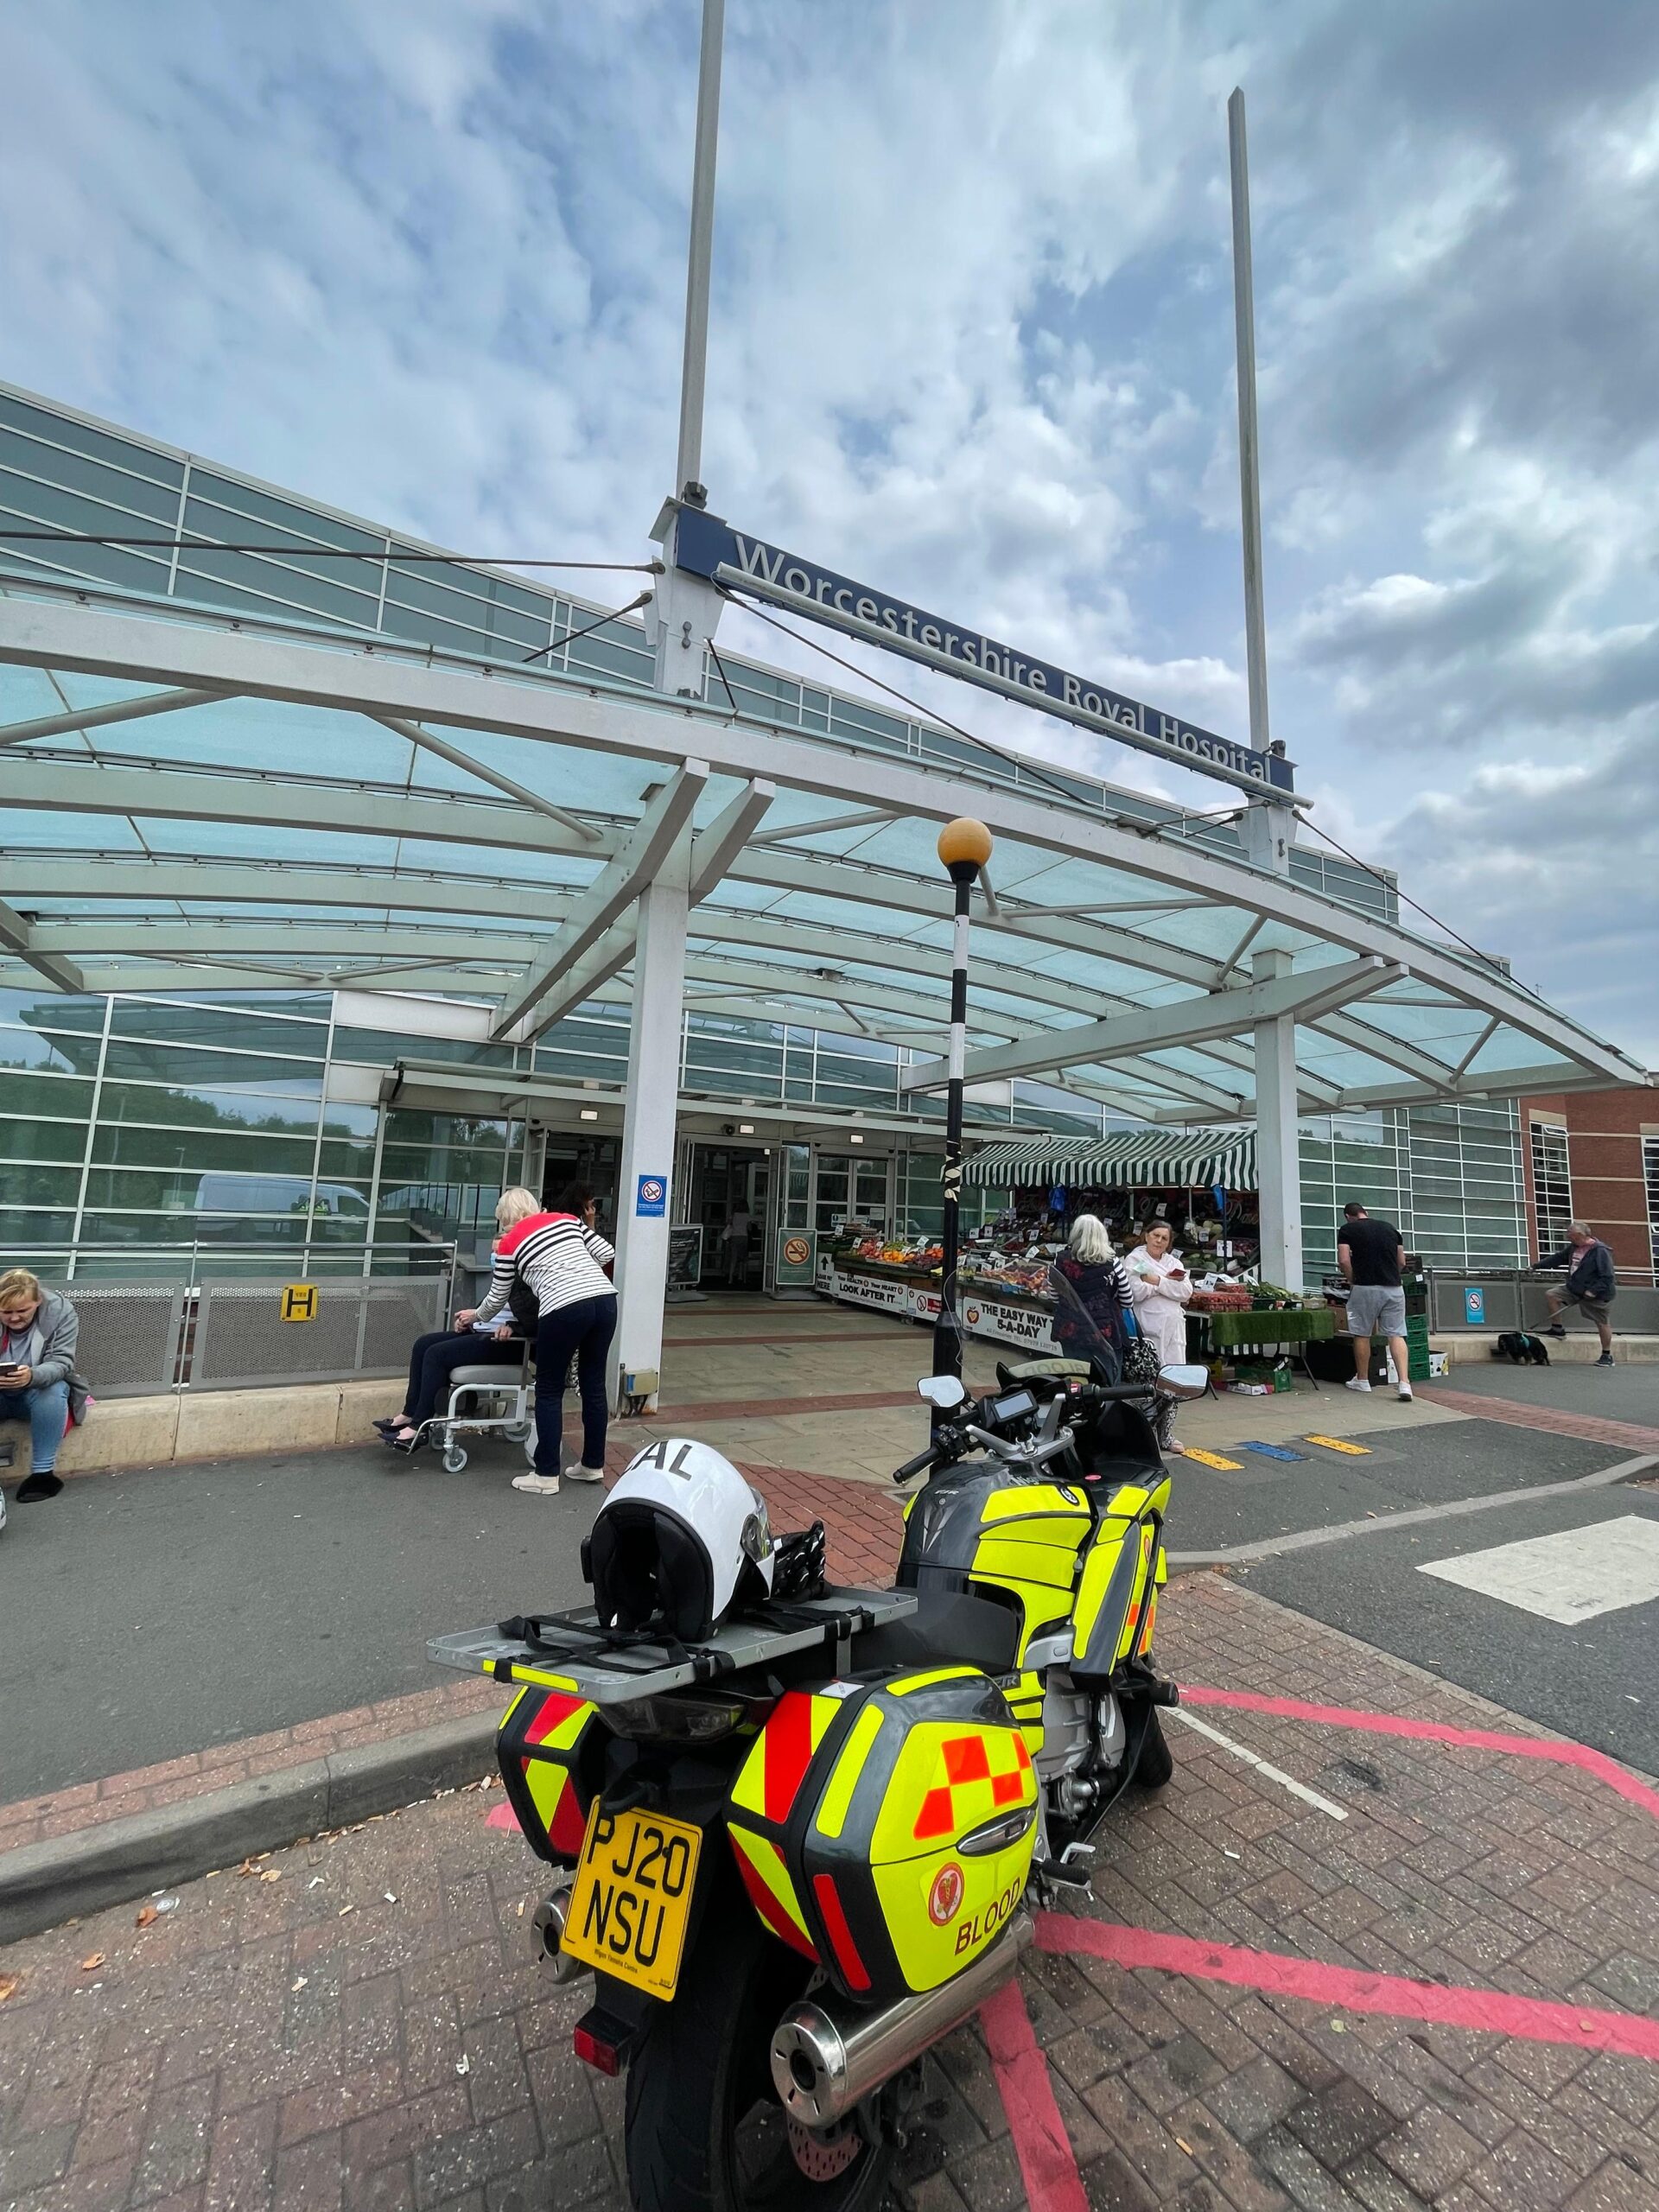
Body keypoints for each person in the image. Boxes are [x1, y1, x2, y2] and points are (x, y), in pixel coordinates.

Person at [459, 1182, 617, 1497]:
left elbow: (495, 1299)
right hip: (604, 1299)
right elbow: (607, 1253)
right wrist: (576, 1269)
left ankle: (546, 1474)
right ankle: (592, 1465)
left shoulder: (509, 1243)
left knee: (548, 1389)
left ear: (505, 1218)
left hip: (563, 1307)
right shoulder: (566, 1220)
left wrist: (474, 1317)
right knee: (593, 1384)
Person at [378, 1187, 541, 1453]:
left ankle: (419, 1426)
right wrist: (472, 1319)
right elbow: (497, 1299)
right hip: (486, 1331)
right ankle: (409, 1414)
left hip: (511, 1342)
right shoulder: (514, 1255)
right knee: (423, 1344)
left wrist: (510, 1327)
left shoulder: (531, 1263)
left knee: (437, 1354)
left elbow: (535, 1314)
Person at [0, 1268, 89, 1510]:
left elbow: (62, 1362)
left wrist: (31, 1376)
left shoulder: (61, 1312)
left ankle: (42, 1474)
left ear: (38, 1301)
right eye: (6, 1312)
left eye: (22, 1311)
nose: (15, 1318)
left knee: (52, 1388)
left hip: (36, 1391)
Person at [1125, 1222, 1194, 1453]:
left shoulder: (1174, 1263)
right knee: (1149, 1382)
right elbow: (1136, 1291)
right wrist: (1166, 1286)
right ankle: (1143, 1432)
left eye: (1165, 1238)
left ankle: (1166, 1435)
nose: (1159, 1241)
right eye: (1156, 1236)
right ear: (1147, 1236)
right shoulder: (1134, 1260)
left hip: (1174, 1330)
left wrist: (1156, 1281)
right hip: (1149, 1329)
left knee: (1174, 1383)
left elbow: (1185, 1292)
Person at [1338, 1201, 1413, 1402]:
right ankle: (1404, 1383)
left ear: (1348, 1216)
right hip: (1394, 1289)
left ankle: (1362, 1380)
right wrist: (1391, 1276)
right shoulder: (1390, 1229)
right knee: (1396, 1334)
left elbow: (1344, 1260)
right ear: (1366, 1212)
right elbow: (1402, 1261)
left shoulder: (1347, 1230)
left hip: (1365, 1288)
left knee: (1361, 1333)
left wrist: (1352, 1279)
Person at [1053, 1214, 1133, 1375]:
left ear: (1075, 1234)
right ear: (1102, 1235)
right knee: (1106, 1380)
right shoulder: (1113, 1262)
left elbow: (1054, 1295)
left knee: (1075, 1378)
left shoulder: (1060, 1260)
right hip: (1105, 1331)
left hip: (1070, 1329)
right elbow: (1127, 1299)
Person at [1539, 1223, 1617, 1365]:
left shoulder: (1600, 1251)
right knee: (1552, 1295)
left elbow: (1607, 1276)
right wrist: (1536, 1266)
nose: (1567, 1236)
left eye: (1570, 1234)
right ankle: (1558, 1329)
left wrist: (1593, 1291)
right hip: (1575, 1288)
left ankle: (1607, 1355)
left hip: (1597, 1294)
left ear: (1580, 1235)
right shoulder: (1574, 1247)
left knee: (1602, 1323)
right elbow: (1558, 1258)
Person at [722, 1204, 753, 1287]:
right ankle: (744, 1278)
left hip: (735, 1237)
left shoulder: (734, 1215)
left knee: (733, 1258)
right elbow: (750, 1228)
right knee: (743, 1258)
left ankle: (730, 1279)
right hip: (744, 1237)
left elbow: (728, 1224)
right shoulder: (747, 1216)